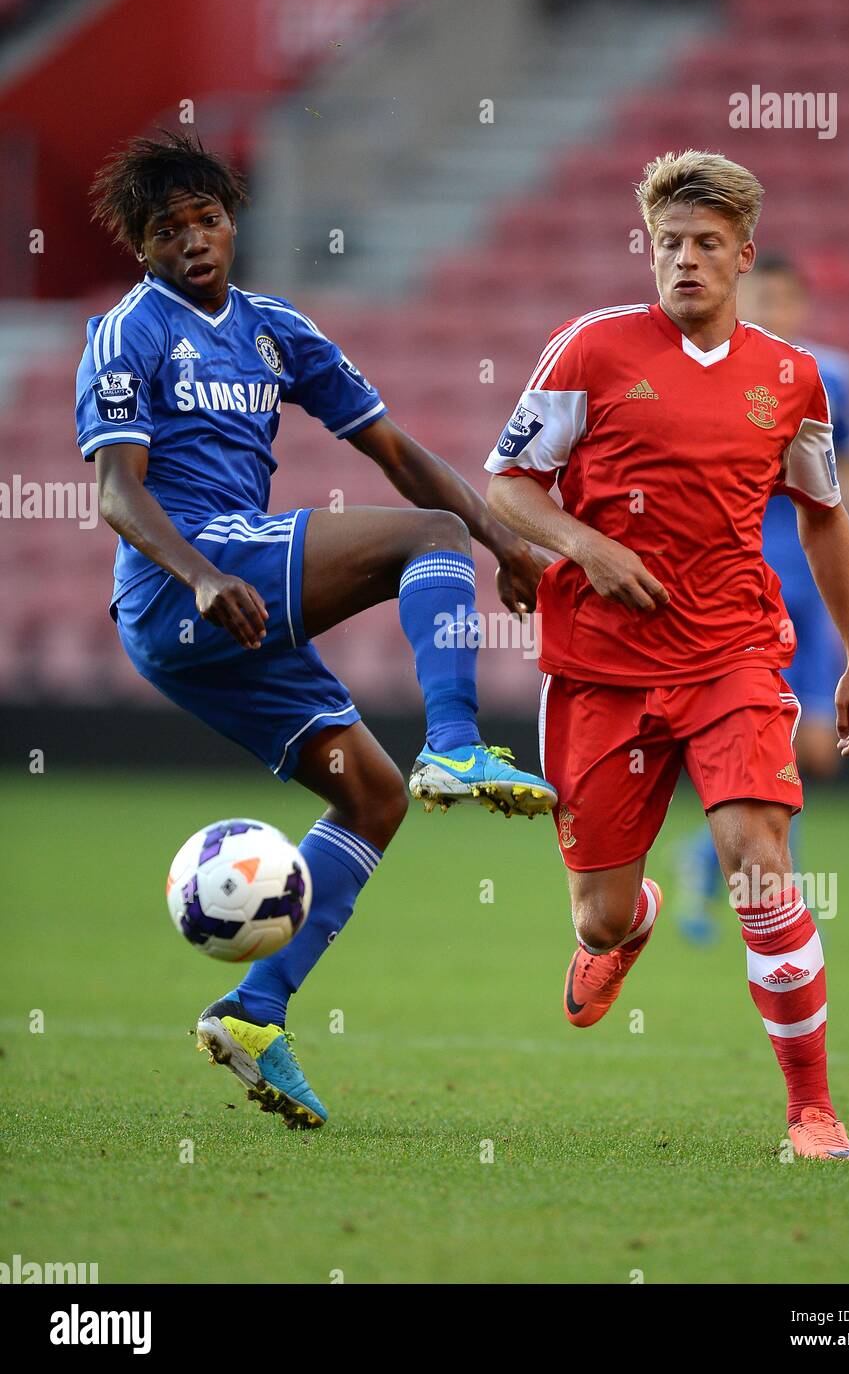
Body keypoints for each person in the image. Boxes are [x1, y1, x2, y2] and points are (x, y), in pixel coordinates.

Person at [76, 131, 556, 1130]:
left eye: (208, 218)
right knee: (424, 542)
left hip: (227, 606)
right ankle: (459, 747)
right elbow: (119, 494)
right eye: (171, 230)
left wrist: (504, 542)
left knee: (374, 798)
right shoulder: (129, 332)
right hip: (185, 584)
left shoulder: (272, 329)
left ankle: (254, 1011)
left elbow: (393, 449)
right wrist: (203, 574)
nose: (196, 240)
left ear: (232, 219)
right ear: (146, 247)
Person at [484, 150, 849, 1161]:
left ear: (743, 255)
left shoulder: (791, 380)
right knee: (598, 916)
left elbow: (827, 519)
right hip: (601, 667)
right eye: (670, 244)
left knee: (759, 861)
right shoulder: (587, 351)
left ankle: (811, 1108)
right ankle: (631, 922)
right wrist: (588, 544)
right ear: (648, 250)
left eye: (708, 244)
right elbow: (508, 486)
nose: (687, 261)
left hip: (733, 655)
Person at [676, 251, 849, 943]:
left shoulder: (828, 377)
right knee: (776, 744)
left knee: (815, 750)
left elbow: (848, 473)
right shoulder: (708, 368)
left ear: (801, 307)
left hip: (814, 586)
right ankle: (773, 891)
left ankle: (707, 860)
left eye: (785, 299)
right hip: (749, 589)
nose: (773, 311)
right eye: (761, 297)